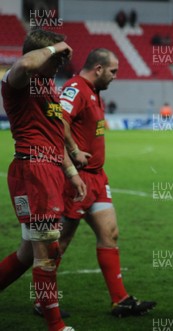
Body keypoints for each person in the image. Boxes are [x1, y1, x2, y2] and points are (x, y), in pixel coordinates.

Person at [57, 48, 156, 317]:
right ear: (98, 68)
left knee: (110, 234)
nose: (115, 77)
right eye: (113, 71)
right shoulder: (75, 88)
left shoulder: (94, 92)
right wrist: (74, 150)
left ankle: (120, 300)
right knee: (58, 243)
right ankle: (44, 301)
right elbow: (58, 121)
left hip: (98, 178)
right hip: (77, 180)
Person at [0, 29, 85, 331]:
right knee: (47, 251)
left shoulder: (48, 86)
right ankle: (57, 327)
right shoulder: (18, 82)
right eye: (58, 57)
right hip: (34, 171)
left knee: (27, 253)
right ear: (43, 53)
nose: (62, 62)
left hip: (46, 170)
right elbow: (23, 64)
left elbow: (53, 137)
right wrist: (57, 46)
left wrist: (71, 172)